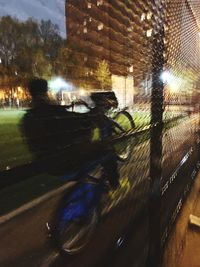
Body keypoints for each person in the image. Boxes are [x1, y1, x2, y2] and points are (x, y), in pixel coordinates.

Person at [21, 78, 119, 188]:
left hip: (48, 167)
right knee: (108, 151)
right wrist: (90, 118)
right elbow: (78, 127)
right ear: (46, 92)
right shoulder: (54, 112)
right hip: (67, 166)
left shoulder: (27, 118)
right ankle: (115, 187)